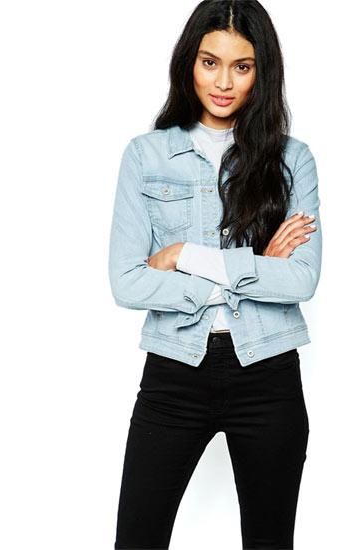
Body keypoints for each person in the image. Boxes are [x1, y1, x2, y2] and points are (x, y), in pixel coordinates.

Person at [108, 1, 322, 548]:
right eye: (210, 62)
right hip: (174, 374)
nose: (224, 82)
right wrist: (256, 267)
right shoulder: (146, 156)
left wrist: (184, 254)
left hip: (269, 374)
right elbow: (127, 282)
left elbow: (301, 280)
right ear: (189, 63)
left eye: (241, 66)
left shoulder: (292, 160)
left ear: (262, 72)